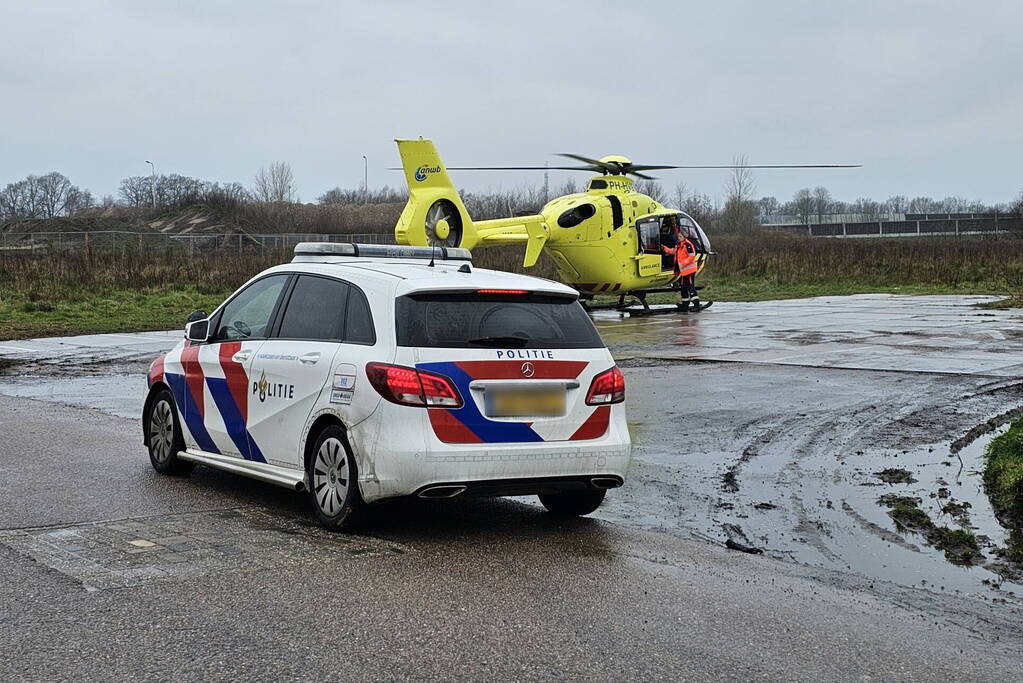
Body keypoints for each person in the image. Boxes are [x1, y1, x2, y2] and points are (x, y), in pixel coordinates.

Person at [662, 226, 701, 311]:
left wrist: (683, 264)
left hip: (689, 270)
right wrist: (664, 248)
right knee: (683, 287)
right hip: (683, 271)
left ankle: (696, 304)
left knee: (690, 287)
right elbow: (673, 251)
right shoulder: (679, 246)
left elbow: (692, 256)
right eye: (678, 236)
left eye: (680, 236)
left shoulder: (687, 245)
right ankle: (685, 305)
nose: (678, 238)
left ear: (684, 237)